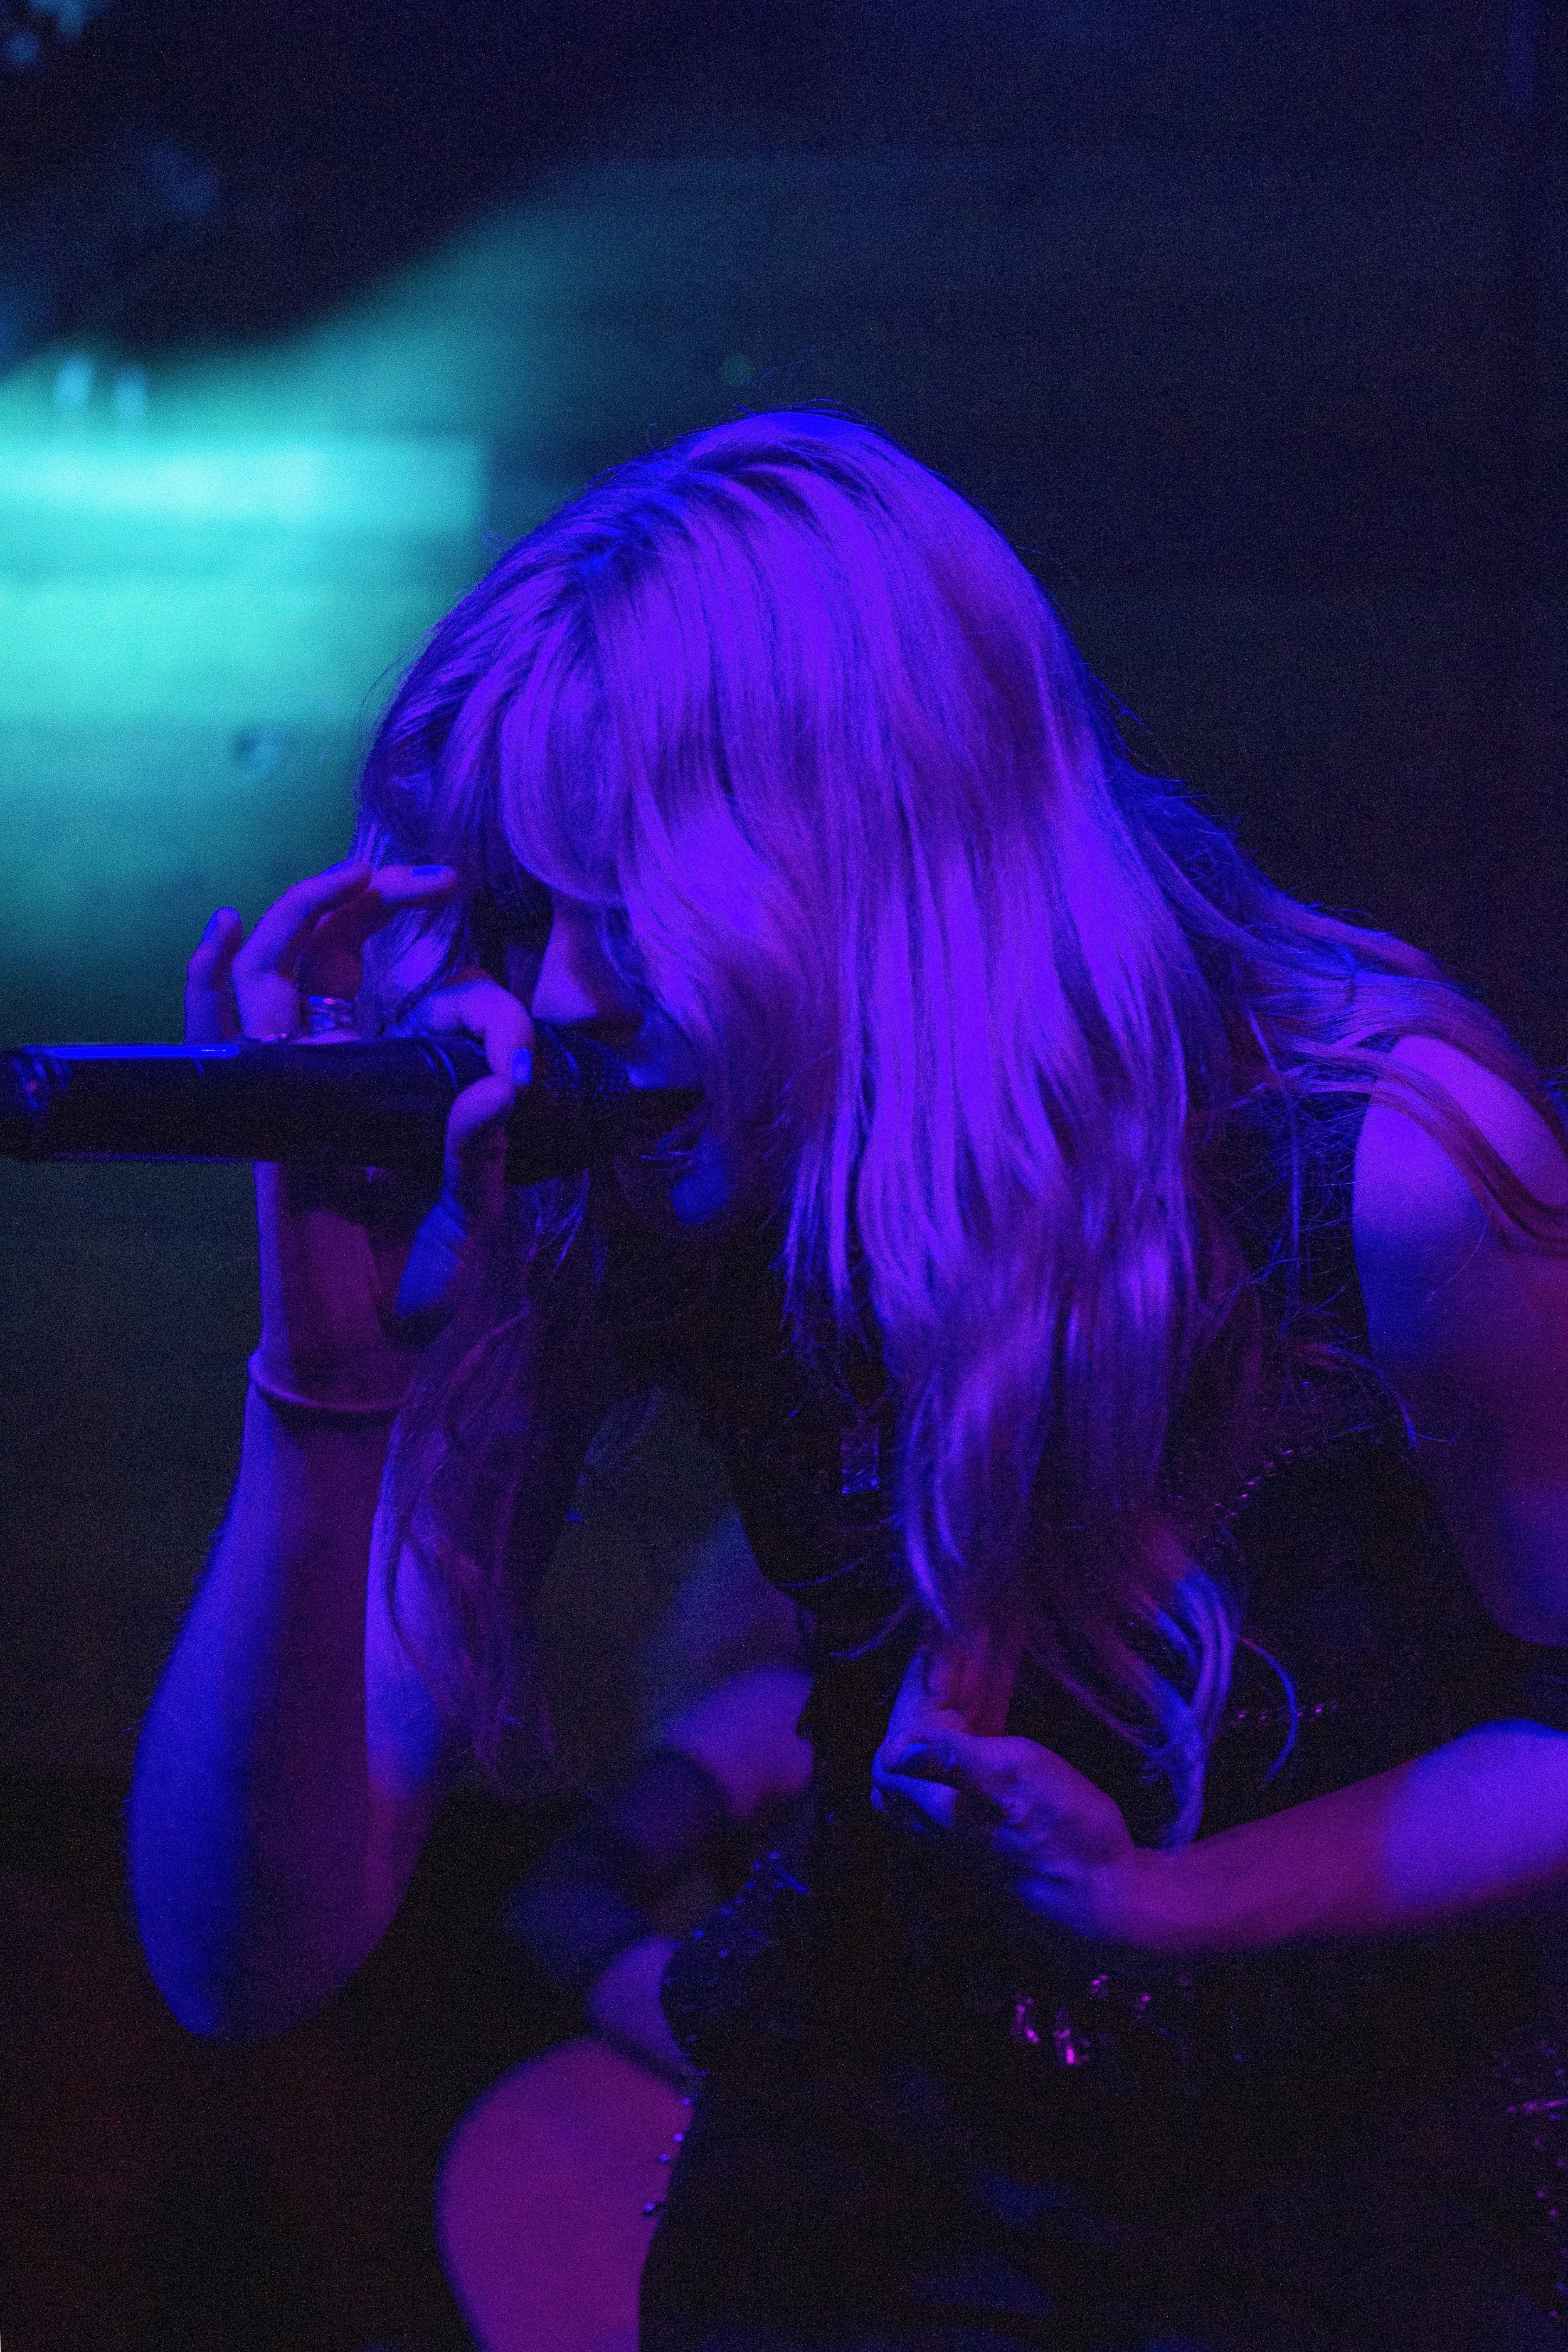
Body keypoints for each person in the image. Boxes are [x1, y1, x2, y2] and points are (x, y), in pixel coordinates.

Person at [129, 407, 1568, 2350]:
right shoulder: (653, 1183)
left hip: (1361, 2188)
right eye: (514, 916)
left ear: (874, 848)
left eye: (612, 909)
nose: (548, 995)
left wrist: (1170, 1902)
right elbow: (246, 1963)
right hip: (869, 2184)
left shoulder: (1380, 1159)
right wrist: (325, 1391)